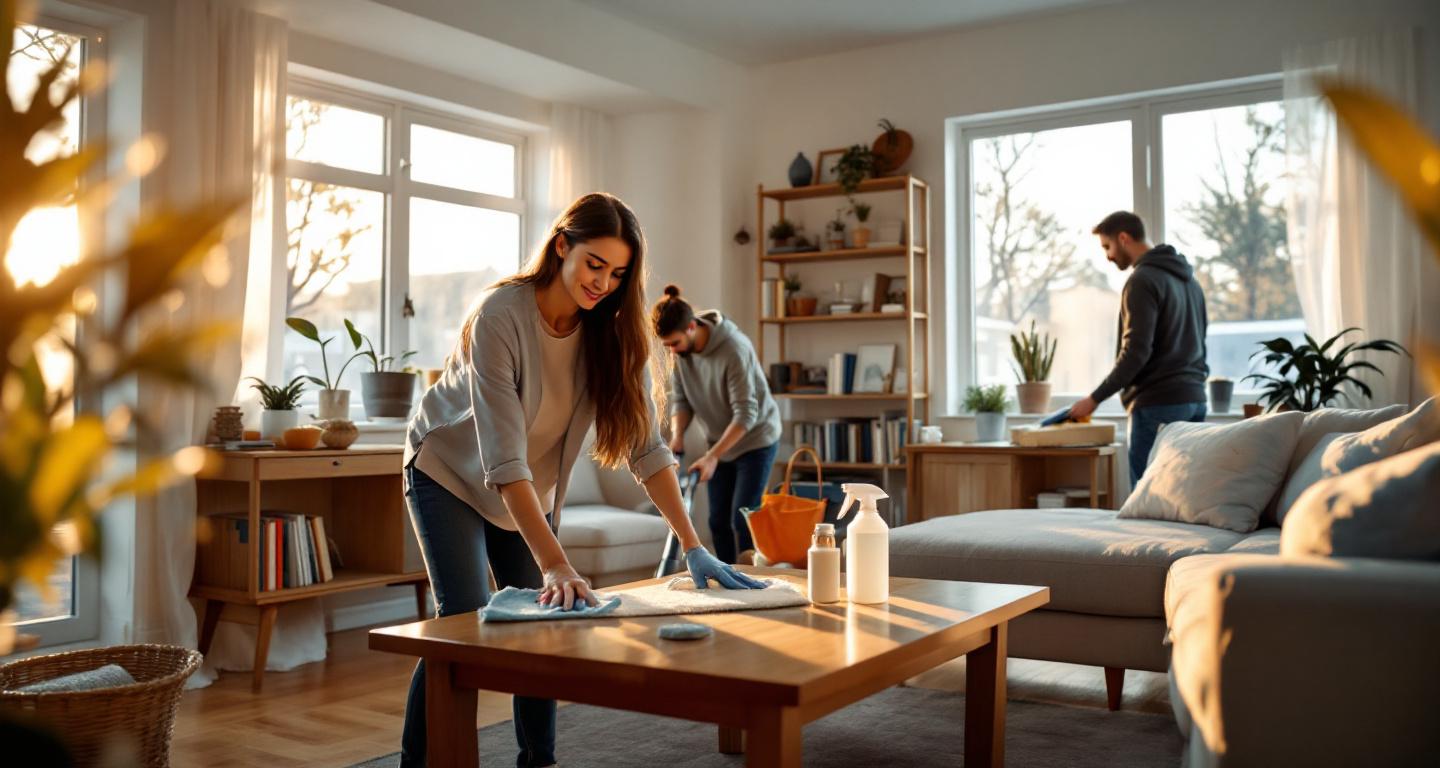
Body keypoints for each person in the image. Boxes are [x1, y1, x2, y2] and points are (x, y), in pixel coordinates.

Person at [401, 193, 764, 768]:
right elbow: (503, 460)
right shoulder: (501, 316)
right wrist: (556, 562)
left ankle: (538, 761)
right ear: (562, 246)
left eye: (618, 274)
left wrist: (694, 544)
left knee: (546, 620)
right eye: (594, 264)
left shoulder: (612, 332)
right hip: (448, 471)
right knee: (464, 621)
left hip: (523, 488)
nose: (603, 283)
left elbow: (647, 447)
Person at [1068, 211, 1209, 485]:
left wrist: (1094, 399)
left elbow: (1136, 352)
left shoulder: (1141, 280)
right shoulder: (1191, 282)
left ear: (1123, 238)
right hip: (1195, 401)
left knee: (1147, 500)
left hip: (1158, 404)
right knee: (1186, 496)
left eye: (1107, 246)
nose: (1108, 256)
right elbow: (1200, 340)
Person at [652, 285, 782, 564]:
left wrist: (712, 457)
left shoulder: (734, 349)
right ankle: (727, 579)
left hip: (755, 439)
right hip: (719, 442)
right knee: (717, 520)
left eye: (674, 344)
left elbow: (746, 413)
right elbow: (682, 401)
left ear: (691, 327)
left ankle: (755, 581)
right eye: (667, 346)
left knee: (742, 516)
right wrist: (677, 438)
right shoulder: (682, 355)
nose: (671, 352)